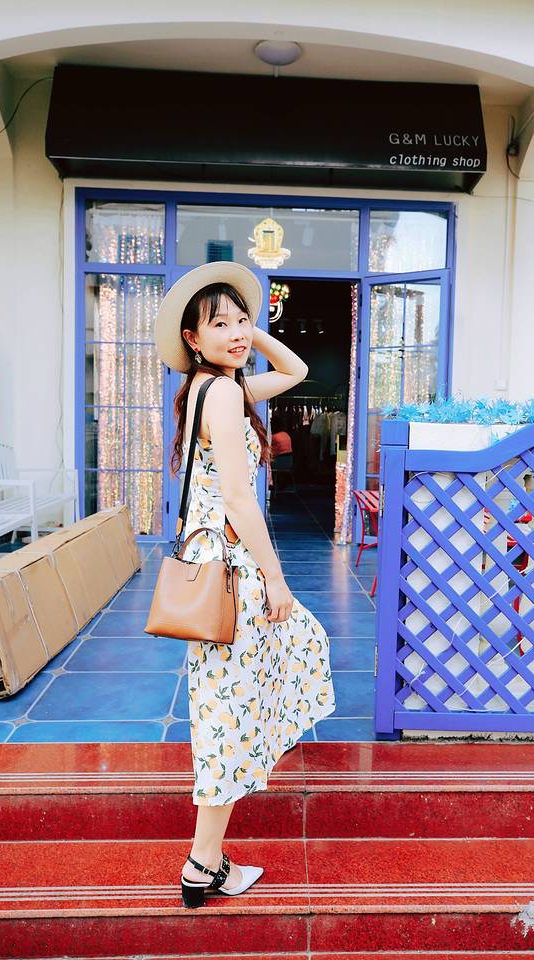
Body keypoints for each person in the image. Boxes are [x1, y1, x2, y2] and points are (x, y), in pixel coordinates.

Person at [154, 261, 336, 909]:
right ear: (191, 339)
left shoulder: (212, 388)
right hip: (232, 570)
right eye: (220, 325)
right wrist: (275, 576)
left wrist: (248, 333)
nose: (236, 333)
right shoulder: (224, 395)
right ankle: (202, 862)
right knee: (231, 711)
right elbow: (237, 496)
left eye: (242, 321)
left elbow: (295, 371)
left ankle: (207, 857)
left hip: (215, 563)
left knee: (234, 704)